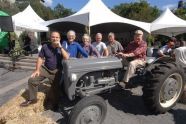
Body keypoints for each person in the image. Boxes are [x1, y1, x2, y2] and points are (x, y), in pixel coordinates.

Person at [20, 31, 69, 110]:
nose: (55, 39)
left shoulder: (62, 47)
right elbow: (40, 58)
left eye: (57, 37)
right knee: (32, 80)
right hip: (46, 68)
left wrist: (60, 47)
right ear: (50, 38)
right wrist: (37, 70)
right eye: (53, 37)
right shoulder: (45, 46)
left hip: (57, 71)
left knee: (55, 88)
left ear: (59, 38)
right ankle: (32, 99)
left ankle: (55, 103)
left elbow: (66, 57)